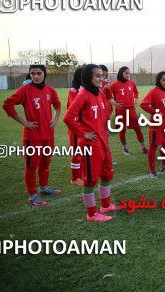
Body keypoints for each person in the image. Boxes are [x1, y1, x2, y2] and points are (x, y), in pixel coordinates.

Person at [64, 64, 121, 222]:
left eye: (102, 75)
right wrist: (84, 133)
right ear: (88, 78)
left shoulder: (100, 94)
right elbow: (68, 118)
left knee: (107, 173)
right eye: (97, 76)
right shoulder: (83, 94)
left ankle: (106, 205)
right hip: (90, 144)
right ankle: (91, 214)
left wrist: (104, 128)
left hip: (103, 141)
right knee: (90, 179)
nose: (101, 78)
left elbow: (104, 114)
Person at [3, 64, 62, 206]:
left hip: (48, 135)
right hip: (32, 137)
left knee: (45, 162)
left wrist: (54, 119)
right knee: (31, 166)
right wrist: (25, 123)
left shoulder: (50, 90)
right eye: (32, 73)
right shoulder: (25, 90)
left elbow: (58, 105)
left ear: (44, 74)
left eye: (38, 73)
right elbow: (7, 105)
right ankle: (32, 195)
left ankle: (43, 188)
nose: (35, 76)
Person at [140, 71, 165, 178]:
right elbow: (143, 104)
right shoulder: (154, 92)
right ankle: (152, 171)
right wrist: (155, 111)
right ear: (158, 81)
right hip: (157, 125)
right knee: (153, 147)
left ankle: (164, 166)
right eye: (163, 80)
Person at [109, 66, 147, 155]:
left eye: (129, 73)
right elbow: (108, 96)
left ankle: (143, 147)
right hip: (121, 110)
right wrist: (115, 104)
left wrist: (135, 99)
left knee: (137, 128)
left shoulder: (131, 83)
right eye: (126, 73)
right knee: (122, 130)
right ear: (121, 73)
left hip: (131, 109)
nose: (128, 74)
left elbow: (136, 92)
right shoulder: (114, 85)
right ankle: (125, 149)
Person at [67, 67, 84, 185]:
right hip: (75, 126)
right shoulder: (73, 91)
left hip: (84, 126)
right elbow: (77, 107)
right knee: (76, 151)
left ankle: (82, 175)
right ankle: (75, 178)